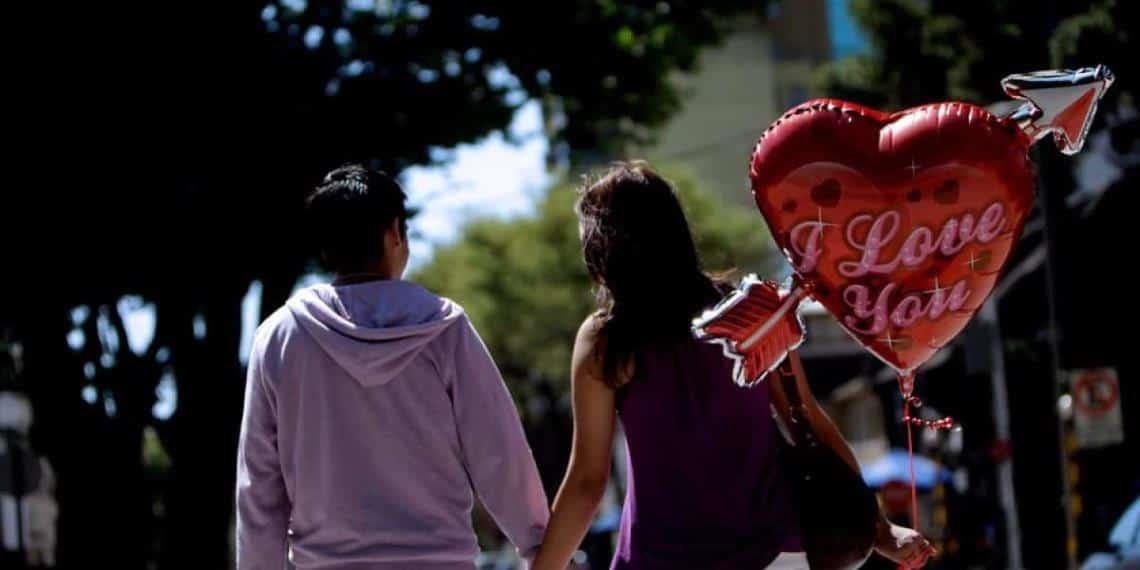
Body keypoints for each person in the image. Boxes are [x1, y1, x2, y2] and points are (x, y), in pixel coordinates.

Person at [531, 162, 934, 569]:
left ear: (604, 249)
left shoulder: (607, 340)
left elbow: (587, 482)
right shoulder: (753, 311)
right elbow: (807, 420)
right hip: (776, 553)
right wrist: (880, 529)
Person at [235, 165, 548, 570]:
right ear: (394, 234)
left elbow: (258, 488)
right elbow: (500, 454)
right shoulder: (444, 328)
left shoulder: (279, 338)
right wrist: (541, 547)